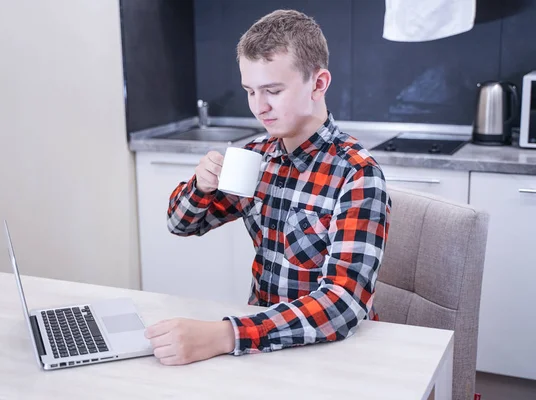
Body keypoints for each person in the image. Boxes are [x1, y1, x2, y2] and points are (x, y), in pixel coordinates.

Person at [144, 9, 392, 366]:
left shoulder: (356, 174)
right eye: (250, 91)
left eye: (273, 91)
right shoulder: (256, 158)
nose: (260, 107)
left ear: (318, 84)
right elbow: (181, 224)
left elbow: (342, 304)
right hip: (260, 350)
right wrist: (201, 186)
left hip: (333, 355)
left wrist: (227, 334)